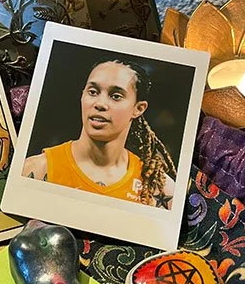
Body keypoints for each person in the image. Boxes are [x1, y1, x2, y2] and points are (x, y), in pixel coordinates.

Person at [22, 59, 176, 209]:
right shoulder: (36, 169)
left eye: (116, 96)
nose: (100, 104)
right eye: (93, 92)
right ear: (82, 96)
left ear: (138, 108)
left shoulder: (158, 188)